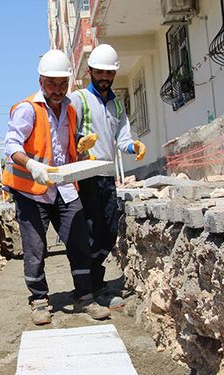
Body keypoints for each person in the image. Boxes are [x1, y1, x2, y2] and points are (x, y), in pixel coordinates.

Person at [2, 49, 110, 325]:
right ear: (41, 82)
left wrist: (82, 150)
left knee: (78, 241)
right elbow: (11, 145)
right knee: (35, 248)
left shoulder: (71, 108)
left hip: (63, 188)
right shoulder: (28, 109)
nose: (58, 89)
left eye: (63, 84)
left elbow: (66, 148)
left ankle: (85, 296)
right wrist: (33, 166)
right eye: (52, 83)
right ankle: (39, 300)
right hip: (31, 191)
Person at [70, 44, 147, 309]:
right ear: (90, 71)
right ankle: (92, 286)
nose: (105, 77)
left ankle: (93, 279)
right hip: (86, 176)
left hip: (106, 176)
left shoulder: (115, 104)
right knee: (92, 230)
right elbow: (69, 131)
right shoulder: (79, 99)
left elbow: (122, 137)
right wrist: (79, 142)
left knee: (110, 230)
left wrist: (132, 146)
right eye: (100, 72)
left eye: (109, 73)